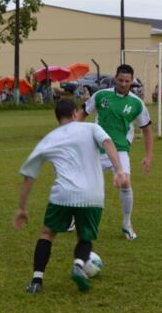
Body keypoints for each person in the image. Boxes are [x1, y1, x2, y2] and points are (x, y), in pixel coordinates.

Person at [14, 99, 128, 294]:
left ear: (57, 118)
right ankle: (78, 264)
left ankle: (36, 281)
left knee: (47, 234)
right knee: (84, 236)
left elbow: (29, 175)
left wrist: (22, 208)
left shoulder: (50, 138)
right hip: (92, 195)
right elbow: (108, 142)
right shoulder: (91, 128)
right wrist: (118, 170)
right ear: (75, 113)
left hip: (63, 195)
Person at [78, 64, 153, 240]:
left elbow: (147, 130)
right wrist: (74, 133)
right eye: (120, 80)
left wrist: (148, 156)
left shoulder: (137, 103)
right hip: (96, 147)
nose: (124, 84)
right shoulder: (101, 95)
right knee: (82, 184)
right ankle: (75, 218)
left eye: (127, 81)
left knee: (126, 183)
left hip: (120, 150)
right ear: (115, 78)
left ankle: (127, 223)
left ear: (132, 81)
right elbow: (82, 113)